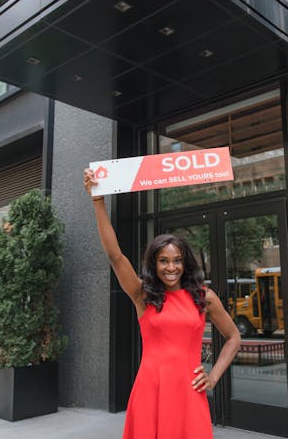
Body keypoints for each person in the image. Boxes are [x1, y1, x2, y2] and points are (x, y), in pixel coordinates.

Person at [84, 168, 241, 439]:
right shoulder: (142, 295)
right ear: (154, 264)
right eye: (164, 261)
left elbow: (233, 337)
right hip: (149, 390)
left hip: (189, 393)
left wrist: (213, 377)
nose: (171, 267)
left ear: (185, 262)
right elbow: (115, 255)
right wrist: (98, 200)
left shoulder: (204, 297)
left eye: (177, 260)